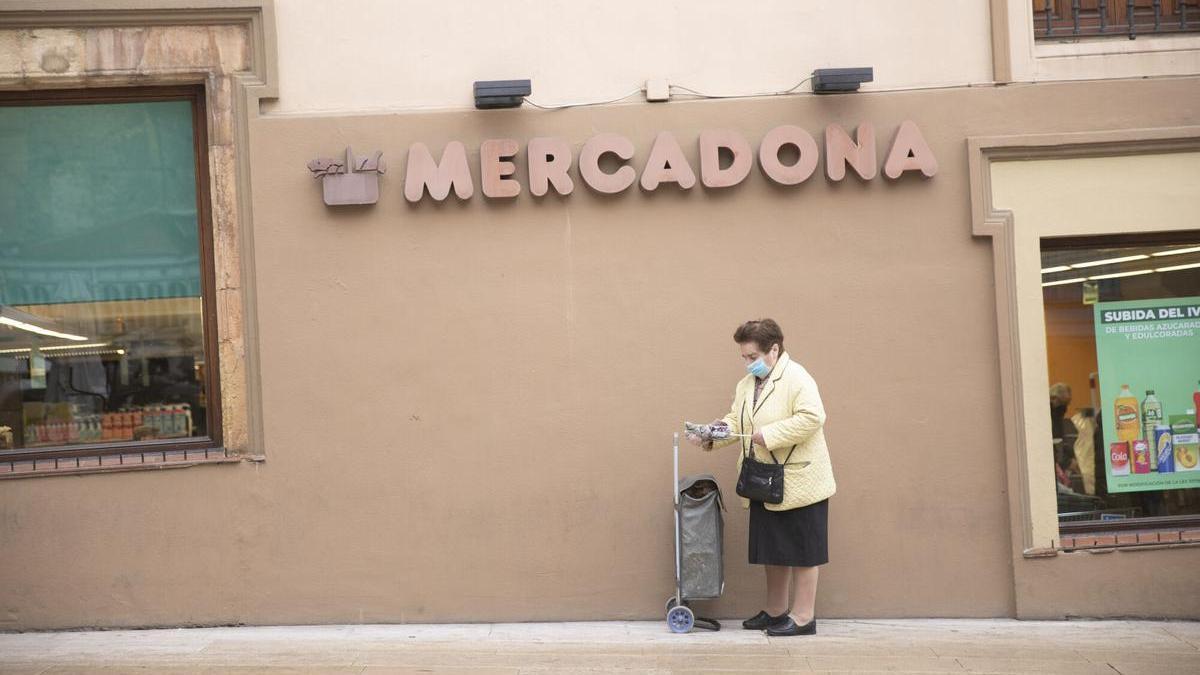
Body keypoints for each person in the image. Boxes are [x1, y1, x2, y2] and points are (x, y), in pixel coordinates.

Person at [685, 319, 836, 636]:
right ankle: (776, 610)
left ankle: (804, 617)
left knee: (803, 550)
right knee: (774, 548)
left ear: (774, 350)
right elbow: (737, 422)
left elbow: (813, 417)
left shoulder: (797, 378)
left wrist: (772, 434)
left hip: (800, 480)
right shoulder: (746, 386)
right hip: (765, 481)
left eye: (752, 356)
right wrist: (711, 435)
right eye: (743, 357)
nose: (747, 363)